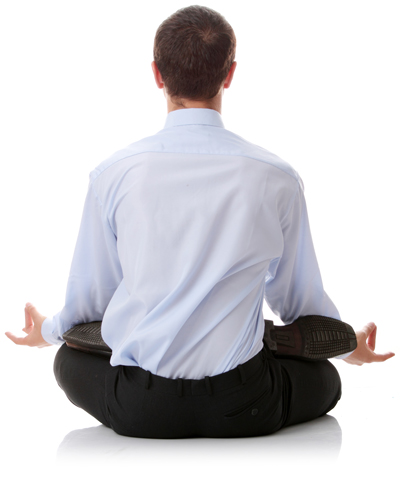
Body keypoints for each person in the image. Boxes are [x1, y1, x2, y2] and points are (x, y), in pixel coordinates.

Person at [5, 5, 394, 438]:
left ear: (156, 74)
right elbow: (301, 302)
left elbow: (90, 303)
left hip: (141, 409)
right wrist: (349, 345)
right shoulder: (277, 177)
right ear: (229, 74)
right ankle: (254, 340)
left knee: (68, 359)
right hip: (246, 406)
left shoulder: (113, 174)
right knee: (327, 380)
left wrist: (44, 330)